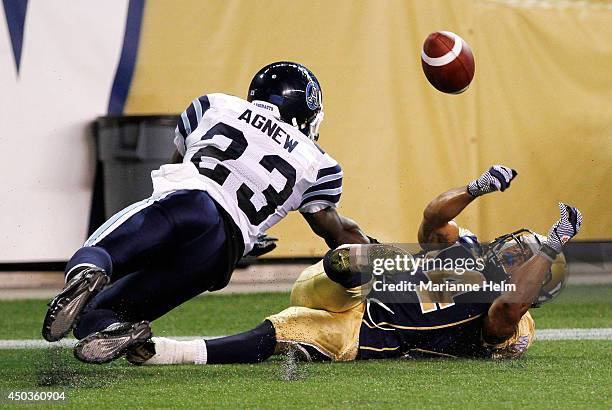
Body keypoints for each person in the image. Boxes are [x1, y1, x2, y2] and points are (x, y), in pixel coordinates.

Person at [41, 61, 371, 364]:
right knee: (111, 311)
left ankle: (85, 276)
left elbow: (179, 168)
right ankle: (115, 329)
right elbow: (339, 235)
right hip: (218, 257)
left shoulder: (214, 106)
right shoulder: (318, 163)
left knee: (101, 252)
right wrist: (388, 260)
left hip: (191, 204)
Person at [124, 165, 582, 365]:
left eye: (528, 255)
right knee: (364, 261)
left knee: (283, 331)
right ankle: (351, 261)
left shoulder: (516, 322)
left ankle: (164, 351)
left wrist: (553, 246)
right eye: (525, 245)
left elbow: (506, 312)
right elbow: (434, 217)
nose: (517, 248)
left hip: (366, 335)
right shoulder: (467, 250)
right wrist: (475, 188)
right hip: (349, 286)